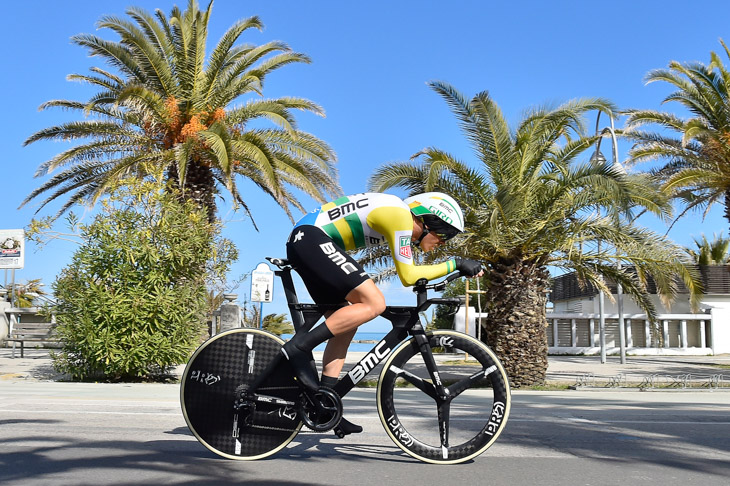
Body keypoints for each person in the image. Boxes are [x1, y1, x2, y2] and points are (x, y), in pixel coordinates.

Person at [282, 192, 484, 435]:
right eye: (445, 234)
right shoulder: (399, 215)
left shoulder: (396, 216)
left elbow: (409, 271)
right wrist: (456, 264)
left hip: (307, 240)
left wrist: (453, 267)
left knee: (346, 325)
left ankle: (325, 405)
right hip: (310, 238)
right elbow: (408, 276)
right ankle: (299, 347)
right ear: (428, 220)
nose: (443, 242)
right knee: (374, 303)